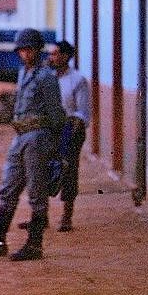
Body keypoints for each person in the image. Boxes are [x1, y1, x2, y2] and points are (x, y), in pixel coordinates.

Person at [0, 28, 66, 261]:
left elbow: (57, 117)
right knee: (8, 188)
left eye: (28, 49)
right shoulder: (23, 73)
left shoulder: (46, 77)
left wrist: (55, 150)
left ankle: (34, 245)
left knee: (36, 192)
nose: (24, 54)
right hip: (20, 136)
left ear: (37, 50)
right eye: (21, 50)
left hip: (37, 139)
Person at [49, 40, 89, 232]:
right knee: (41, 170)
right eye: (51, 54)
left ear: (65, 56)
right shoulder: (47, 78)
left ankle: (67, 216)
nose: (51, 57)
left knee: (68, 170)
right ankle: (40, 216)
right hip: (49, 129)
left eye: (55, 54)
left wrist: (73, 125)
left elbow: (83, 112)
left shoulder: (78, 80)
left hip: (69, 130)